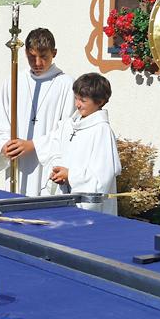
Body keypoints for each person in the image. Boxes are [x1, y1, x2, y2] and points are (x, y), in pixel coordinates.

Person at [0, 28, 75, 195]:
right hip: (18, 164)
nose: (37, 63)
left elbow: (68, 130)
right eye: (31, 57)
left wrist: (34, 145)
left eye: (44, 57)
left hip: (47, 165)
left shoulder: (66, 84)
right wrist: (4, 144)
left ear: (54, 53)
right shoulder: (15, 80)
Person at [43, 73, 122, 214]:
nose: (77, 104)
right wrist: (58, 171)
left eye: (83, 100)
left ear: (100, 101)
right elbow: (56, 149)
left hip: (89, 211)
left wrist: (70, 176)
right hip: (65, 198)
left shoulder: (101, 131)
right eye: (76, 98)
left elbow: (102, 178)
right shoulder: (69, 124)